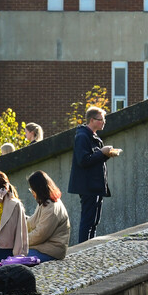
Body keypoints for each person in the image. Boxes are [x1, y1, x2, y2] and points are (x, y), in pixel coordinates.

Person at [67, 106, 121, 244]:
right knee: (88, 220)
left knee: (94, 221)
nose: (104, 122)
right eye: (101, 120)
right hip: (88, 185)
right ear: (91, 120)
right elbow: (83, 160)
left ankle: (90, 246)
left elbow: (94, 159)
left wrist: (106, 154)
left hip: (96, 184)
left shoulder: (93, 136)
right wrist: (102, 153)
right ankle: (83, 248)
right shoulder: (82, 136)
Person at [25, 171, 71, 262]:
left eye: (32, 189)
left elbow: (40, 235)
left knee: (15, 259)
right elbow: (32, 222)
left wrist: (20, 241)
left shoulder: (51, 207)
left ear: (38, 189)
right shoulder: (44, 203)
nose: (32, 193)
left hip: (51, 251)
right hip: (42, 247)